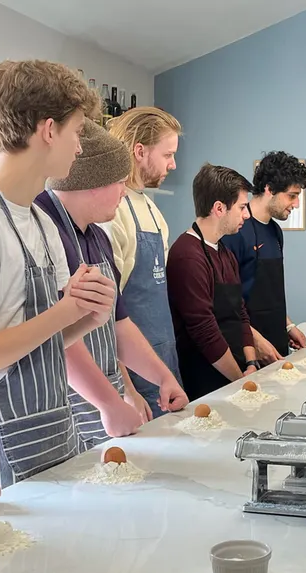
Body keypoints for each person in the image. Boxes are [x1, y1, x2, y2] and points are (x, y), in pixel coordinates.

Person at [0, 60, 116, 487]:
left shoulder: (41, 222)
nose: (80, 148)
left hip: (52, 429)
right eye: (76, 132)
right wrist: (66, 311)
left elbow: (39, 344)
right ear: (48, 130)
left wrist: (87, 316)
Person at [36, 120, 188, 450]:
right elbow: (55, 339)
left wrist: (161, 377)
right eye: (120, 182)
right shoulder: (44, 232)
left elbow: (118, 323)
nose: (123, 192)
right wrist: (112, 402)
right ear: (94, 183)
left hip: (108, 403)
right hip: (71, 405)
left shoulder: (96, 236)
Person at [106, 107, 183, 418]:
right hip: (134, 378)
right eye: (167, 154)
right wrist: (127, 391)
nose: (173, 164)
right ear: (140, 151)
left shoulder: (151, 210)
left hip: (164, 363)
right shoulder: (114, 211)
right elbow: (107, 315)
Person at [167, 163, 258, 401]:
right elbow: (204, 330)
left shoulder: (226, 253)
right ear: (219, 208)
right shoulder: (187, 255)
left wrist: (252, 363)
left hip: (237, 374)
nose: (247, 215)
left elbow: (241, 314)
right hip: (206, 381)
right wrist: (240, 381)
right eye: (242, 207)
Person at [221, 151, 306, 362]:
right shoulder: (236, 231)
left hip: (277, 346)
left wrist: (288, 326)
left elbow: (271, 293)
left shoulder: (275, 232)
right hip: (247, 349)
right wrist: (256, 342)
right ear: (269, 189)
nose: (296, 204)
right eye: (292, 195)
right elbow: (227, 304)